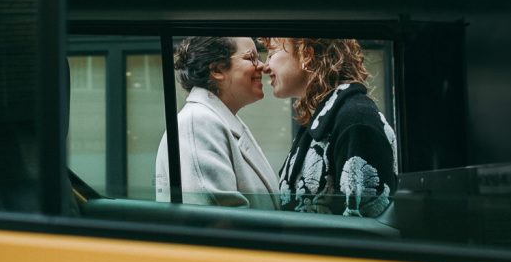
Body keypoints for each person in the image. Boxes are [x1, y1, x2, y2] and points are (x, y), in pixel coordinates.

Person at [262, 37, 397, 217]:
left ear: (306, 54)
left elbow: (364, 227)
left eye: (271, 53)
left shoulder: (355, 118)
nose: (264, 66)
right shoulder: (324, 118)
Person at [155, 36, 279, 209]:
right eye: (251, 58)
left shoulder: (215, 120)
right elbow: (218, 219)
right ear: (217, 70)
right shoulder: (198, 122)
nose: (263, 66)